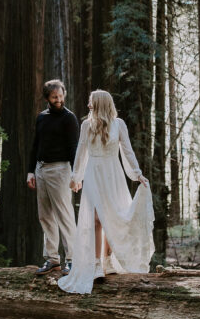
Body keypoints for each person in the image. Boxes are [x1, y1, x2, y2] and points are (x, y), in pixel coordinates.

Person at [58, 90, 154, 295]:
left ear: (100, 103)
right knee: (96, 218)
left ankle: (109, 260)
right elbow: (81, 152)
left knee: (113, 216)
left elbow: (127, 151)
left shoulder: (119, 124)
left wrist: (137, 174)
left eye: (91, 102)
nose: (88, 105)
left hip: (113, 174)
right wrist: (76, 177)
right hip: (94, 174)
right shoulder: (86, 125)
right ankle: (95, 264)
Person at [27, 79, 79, 275]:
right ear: (47, 98)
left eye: (61, 96)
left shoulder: (69, 118)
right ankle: (53, 259)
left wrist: (76, 175)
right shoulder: (41, 118)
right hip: (41, 170)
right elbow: (35, 145)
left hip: (60, 171)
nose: (59, 100)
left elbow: (74, 148)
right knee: (45, 216)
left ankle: (73, 259)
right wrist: (31, 171)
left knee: (64, 215)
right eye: (55, 97)